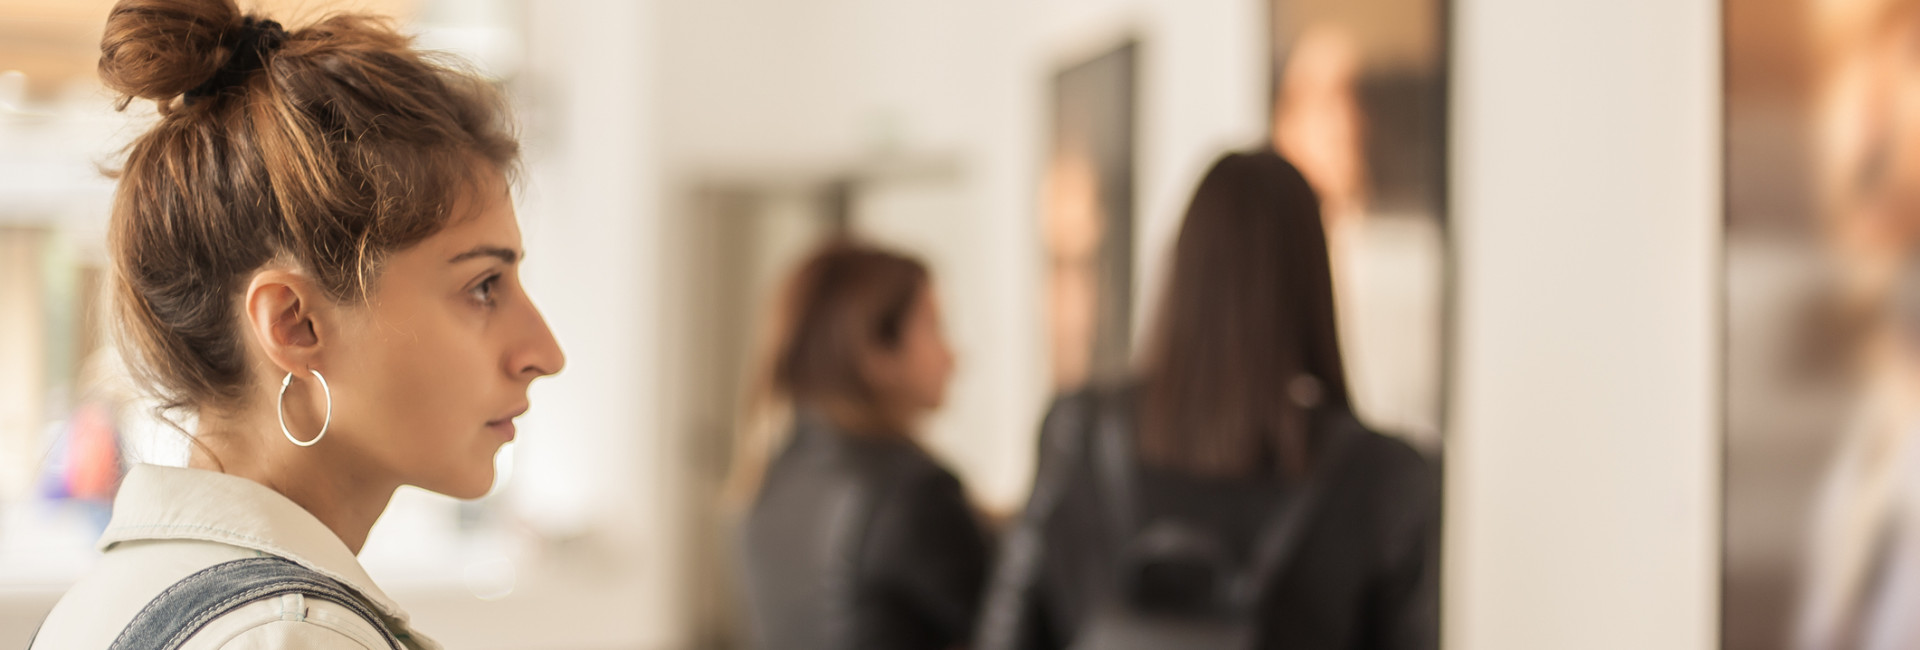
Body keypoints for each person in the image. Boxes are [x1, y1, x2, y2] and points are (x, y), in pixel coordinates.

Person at [31, 0, 563, 647]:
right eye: (483, 286)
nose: (543, 351)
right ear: (294, 325)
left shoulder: (107, 605)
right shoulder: (290, 634)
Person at [977, 150, 1438, 650]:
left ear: (1183, 269)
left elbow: (1007, 634)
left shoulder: (1079, 430)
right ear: (1312, 277)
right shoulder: (1385, 476)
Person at [729, 241, 990, 650]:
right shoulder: (912, 491)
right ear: (875, 351)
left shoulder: (769, 481)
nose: (953, 356)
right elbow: (1012, 630)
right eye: (934, 326)